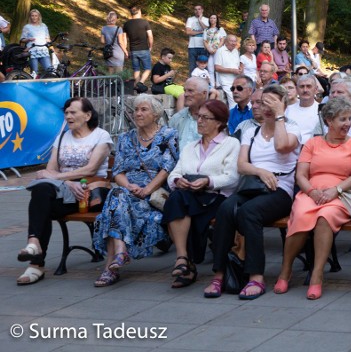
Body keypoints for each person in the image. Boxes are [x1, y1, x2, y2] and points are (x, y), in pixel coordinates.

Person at [204, 84, 300, 300]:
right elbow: (241, 165)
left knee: (249, 212)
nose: (265, 107)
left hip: (280, 189)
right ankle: (220, 274)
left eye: (271, 103)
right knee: (226, 208)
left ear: (283, 105)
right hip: (254, 186)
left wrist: (279, 116)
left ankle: (256, 276)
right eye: (262, 102)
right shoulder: (250, 131)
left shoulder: (293, 129)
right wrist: (260, 170)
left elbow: (283, 146)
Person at [276, 97, 351, 300]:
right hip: (312, 192)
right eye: (342, 119)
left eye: (349, 119)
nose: (347, 124)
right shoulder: (313, 143)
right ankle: (285, 270)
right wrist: (311, 192)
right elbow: (300, 174)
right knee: (300, 214)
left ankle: (317, 275)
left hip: (342, 193)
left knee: (325, 216)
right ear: (329, 121)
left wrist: (336, 190)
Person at [15, 98, 113, 285]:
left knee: (42, 198)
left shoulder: (101, 136)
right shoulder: (62, 137)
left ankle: (36, 262)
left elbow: (90, 169)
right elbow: (50, 170)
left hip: (88, 193)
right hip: (64, 190)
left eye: (73, 112)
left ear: (87, 115)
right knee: (42, 192)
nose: (68, 116)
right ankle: (34, 245)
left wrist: (58, 178)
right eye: (66, 112)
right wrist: (68, 182)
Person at [92, 96, 179, 287]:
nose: (138, 113)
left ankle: (110, 268)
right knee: (117, 195)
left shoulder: (168, 135)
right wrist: (129, 186)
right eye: (136, 109)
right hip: (129, 192)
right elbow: (118, 172)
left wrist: (147, 189)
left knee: (111, 208)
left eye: (143, 109)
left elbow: (167, 168)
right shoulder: (126, 138)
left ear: (156, 114)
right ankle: (120, 253)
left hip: (154, 194)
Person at [163, 99, 239, 289]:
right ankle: (182, 258)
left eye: (206, 117)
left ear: (219, 122)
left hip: (216, 196)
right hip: (190, 196)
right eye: (199, 117)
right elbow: (175, 172)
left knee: (177, 201)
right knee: (177, 197)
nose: (200, 121)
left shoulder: (231, 144)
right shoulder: (191, 147)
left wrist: (208, 181)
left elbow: (232, 177)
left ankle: (186, 263)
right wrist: (177, 181)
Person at [169, 77, 209, 149]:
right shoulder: (177, 118)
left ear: (204, 94)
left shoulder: (215, 120)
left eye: (190, 91)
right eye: (185, 91)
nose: (185, 94)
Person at [123, 4, 154, 93]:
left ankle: (137, 90)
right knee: (147, 68)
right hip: (144, 49)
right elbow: (150, 36)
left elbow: (125, 38)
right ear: (139, 12)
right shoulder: (145, 22)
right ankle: (140, 82)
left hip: (133, 50)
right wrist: (150, 46)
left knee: (136, 70)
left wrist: (125, 50)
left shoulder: (126, 24)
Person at [285, 74, 321, 145]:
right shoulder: (287, 110)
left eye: (309, 86)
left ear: (316, 89)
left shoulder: (322, 111)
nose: (305, 90)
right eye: (302, 86)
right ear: (297, 90)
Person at [21, 8, 52, 75]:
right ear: (30, 17)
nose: (34, 17)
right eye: (32, 15)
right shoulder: (27, 27)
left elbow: (47, 38)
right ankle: (34, 84)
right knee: (34, 72)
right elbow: (22, 39)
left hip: (44, 51)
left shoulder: (43, 26)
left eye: (36, 15)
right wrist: (29, 39)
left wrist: (51, 46)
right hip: (32, 51)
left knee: (49, 70)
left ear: (39, 17)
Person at [214, 34, 241, 107]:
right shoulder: (220, 51)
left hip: (236, 80)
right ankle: (233, 117)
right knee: (234, 103)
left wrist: (240, 70)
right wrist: (232, 70)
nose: (233, 43)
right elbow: (217, 68)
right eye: (231, 41)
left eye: (235, 41)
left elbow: (237, 65)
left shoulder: (236, 51)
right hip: (225, 81)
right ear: (226, 42)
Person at [202, 13, 226, 85]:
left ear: (217, 20)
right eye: (211, 18)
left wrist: (216, 49)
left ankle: (218, 84)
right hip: (209, 51)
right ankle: (212, 85)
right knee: (210, 68)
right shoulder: (206, 30)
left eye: (214, 18)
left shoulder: (220, 29)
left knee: (217, 68)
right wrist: (209, 49)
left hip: (217, 51)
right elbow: (205, 41)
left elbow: (222, 40)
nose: (212, 19)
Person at [100, 11, 127, 75]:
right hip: (118, 53)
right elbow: (120, 42)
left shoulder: (103, 28)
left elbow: (102, 41)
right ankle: (117, 85)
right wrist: (125, 51)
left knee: (110, 74)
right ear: (115, 19)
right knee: (119, 74)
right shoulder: (119, 29)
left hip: (109, 53)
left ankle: (110, 84)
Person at [185, 4, 209, 70]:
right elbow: (188, 32)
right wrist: (200, 32)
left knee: (204, 68)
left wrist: (200, 20)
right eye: (195, 9)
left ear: (202, 10)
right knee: (192, 67)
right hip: (192, 46)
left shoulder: (207, 20)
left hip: (204, 46)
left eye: (199, 9)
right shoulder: (190, 19)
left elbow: (208, 31)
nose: (197, 11)